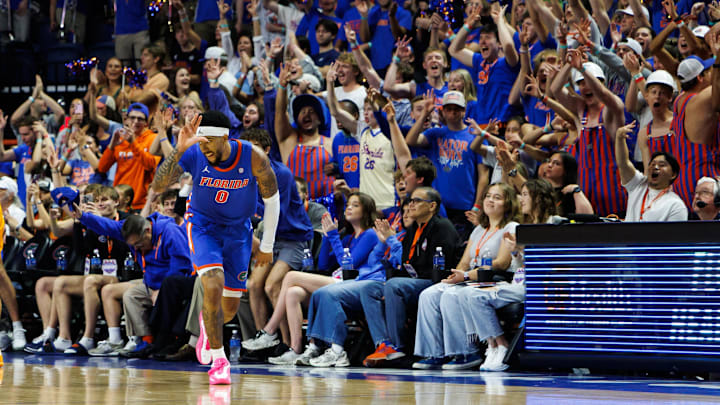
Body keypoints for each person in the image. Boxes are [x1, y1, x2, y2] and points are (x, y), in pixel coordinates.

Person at [151, 110, 279, 385]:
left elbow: (272, 199)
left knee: (228, 309)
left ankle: (208, 326)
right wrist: (180, 148)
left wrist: (266, 245)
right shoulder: (195, 150)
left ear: (225, 138)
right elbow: (159, 185)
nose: (204, 146)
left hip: (238, 233)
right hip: (203, 228)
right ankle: (220, 361)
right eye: (200, 141)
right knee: (212, 284)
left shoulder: (252, 155)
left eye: (209, 141)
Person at [247, 192, 379, 366]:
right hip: (337, 280)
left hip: (354, 283)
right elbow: (324, 264)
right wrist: (326, 237)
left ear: (367, 209)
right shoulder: (348, 237)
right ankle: (295, 349)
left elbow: (349, 265)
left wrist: (333, 237)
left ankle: (270, 330)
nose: (349, 208)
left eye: (355, 205)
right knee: (293, 292)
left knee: (291, 276)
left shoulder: (370, 235)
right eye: (348, 205)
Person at [412, 182, 520, 370]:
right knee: (429, 294)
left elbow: (502, 263)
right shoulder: (478, 229)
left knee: (450, 295)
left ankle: (466, 352)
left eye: (497, 197)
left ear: (508, 204)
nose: (490, 201)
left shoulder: (510, 227)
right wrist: (456, 275)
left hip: (494, 278)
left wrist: (467, 275)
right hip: (469, 277)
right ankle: (434, 353)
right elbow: (464, 261)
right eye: (488, 196)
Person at [358, 187, 461, 366]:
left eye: (416, 201)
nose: (411, 204)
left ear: (432, 206)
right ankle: (383, 344)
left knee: (394, 286)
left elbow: (439, 269)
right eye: (410, 201)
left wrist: (403, 279)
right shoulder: (413, 229)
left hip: (436, 281)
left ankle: (398, 347)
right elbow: (406, 262)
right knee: (368, 289)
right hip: (413, 281)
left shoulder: (442, 227)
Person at [242, 128, 313, 351]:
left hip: (294, 238)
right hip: (272, 239)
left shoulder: (279, 173)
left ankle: (288, 345)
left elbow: (273, 210)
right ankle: (265, 338)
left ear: (266, 150)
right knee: (253, 284)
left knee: (273, 286)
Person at [615, 122, 687, 222]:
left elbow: (673, 237)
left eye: (662, 165)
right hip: (627, 237)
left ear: (673, 174)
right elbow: (623, 163)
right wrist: (619, 138)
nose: (655, 167)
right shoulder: (637, 184)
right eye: (652, 164)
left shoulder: (675, 205)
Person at [97, 103, 160, 210]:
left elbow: (150, 165)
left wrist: (133, 142)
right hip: (119, 203)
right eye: (132, 118)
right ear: (126, 119)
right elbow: (102, 168)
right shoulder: (121, 139)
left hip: (141, 204)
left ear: (146, 123)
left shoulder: (153, 139)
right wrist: (111, 146)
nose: (135, 121)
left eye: (140, 119)